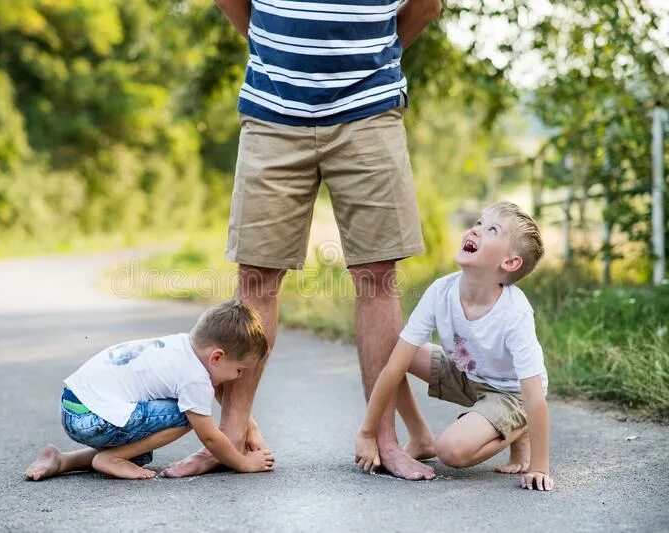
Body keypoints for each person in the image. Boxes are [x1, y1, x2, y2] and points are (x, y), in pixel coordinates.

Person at [163, 0, 443, 481]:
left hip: (369, 112)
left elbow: (427, 5)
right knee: (256, 276)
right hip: (272, 111)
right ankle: (230, 436)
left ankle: (384, 437)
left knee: (377, 276)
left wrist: (378, 56)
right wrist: (277, 54)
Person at [355, 201, 555, 491]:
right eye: (478, 223)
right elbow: (393, 367)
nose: (476, 230)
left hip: (511, 394)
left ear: (510, 263)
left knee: (450, 451)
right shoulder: (441, 291)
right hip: (467, 374)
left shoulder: (515, 313)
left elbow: (535, 399)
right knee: (392, 350)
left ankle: (519, 428)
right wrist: (367, 431)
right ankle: (420, 436)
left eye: (492, 230)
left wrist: (539, 466)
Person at [24, 300, 274, 481]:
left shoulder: (182, 346)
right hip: (92, 419)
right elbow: (209, 436)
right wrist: (243, 464)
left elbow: (214, 389)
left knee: (140, 453)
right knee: (185, 415)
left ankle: (62, 460)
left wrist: (249, 425)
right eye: (240, 370)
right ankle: (112, 458)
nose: (238, 378)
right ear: (217, 357)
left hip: (73, 406)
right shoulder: (195, 377)